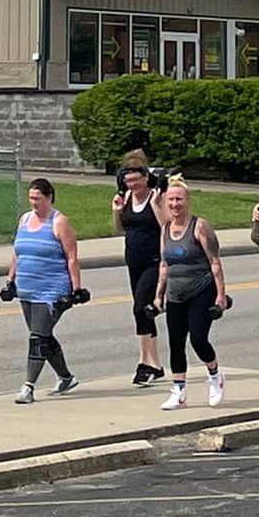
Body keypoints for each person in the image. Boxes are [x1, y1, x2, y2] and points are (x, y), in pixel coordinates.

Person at [2, 177, 83, 406]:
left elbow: (72, 257)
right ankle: (66, 378)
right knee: (42, 335)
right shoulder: (25, 219)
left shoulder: (59, 222)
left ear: (49, 198)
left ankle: (28, 387)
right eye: (31, 198)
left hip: (51, 290)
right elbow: (18, 252)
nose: (33, 203)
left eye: (37, 198)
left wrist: (76, 289)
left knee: (37, 338)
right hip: (26, 289)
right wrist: (10, 280)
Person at [154, 176, 229, 409]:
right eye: (171, 200)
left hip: (201, 290)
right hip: (175, 294)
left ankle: (215, 375)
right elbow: (164, 265)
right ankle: (179, 391)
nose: (174, 204)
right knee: (176, 342)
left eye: (179, 199)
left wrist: (221, 295)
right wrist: (159, 295)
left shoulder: (200, 227)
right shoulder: (165, 229)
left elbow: (214, 262)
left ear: (188, 201)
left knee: (198, 339)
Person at [112, 149, 169, 385]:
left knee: (139, 308)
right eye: (128, 181)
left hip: (154, 260)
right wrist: (117, 211)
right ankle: (155, 364)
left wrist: (155, 205)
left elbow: (167, 226)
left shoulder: (156, 197)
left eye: (136, 180)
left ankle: (144, 363)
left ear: (146, 177)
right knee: (144, 311)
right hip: (133, 260)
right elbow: (121, 228)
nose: (133, 185)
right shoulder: (126, 198)